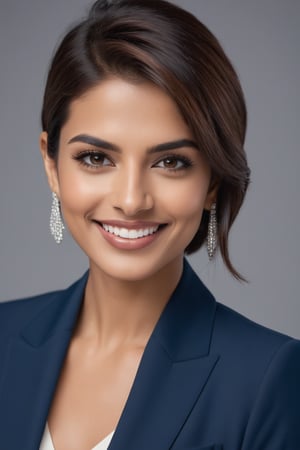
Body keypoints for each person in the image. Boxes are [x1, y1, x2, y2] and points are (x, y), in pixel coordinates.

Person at [0, 0, 299, 449]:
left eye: (171, 162)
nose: (131, 200)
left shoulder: (265, 379)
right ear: (51, 162)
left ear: (213, 180)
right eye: (96, 158)